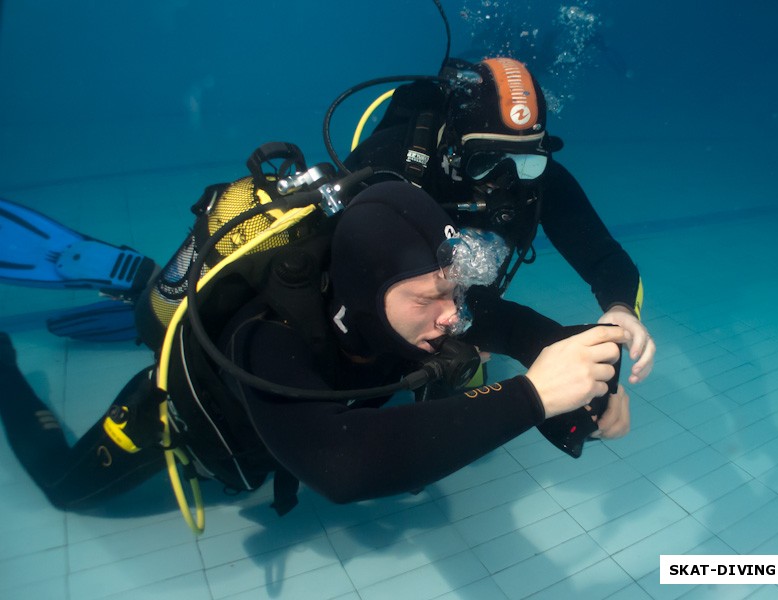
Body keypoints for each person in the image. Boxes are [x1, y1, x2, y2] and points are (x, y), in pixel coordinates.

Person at [0, 181, 630, 517]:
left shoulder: (421, 302)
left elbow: (532, 333)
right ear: (362, 292)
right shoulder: (265, 336)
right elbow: (340, 467)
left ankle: (139, 283)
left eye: (455, 292)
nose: (452, 316)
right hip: (197, 422)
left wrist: (597, 389)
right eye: (429, 300)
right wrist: (533, 396)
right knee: (64, 489)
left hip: (305, 420)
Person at [344, 57, 655, 385]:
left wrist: (621, 308)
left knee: (460, 398)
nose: (505, 180)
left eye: (524, 161)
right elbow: (343, 270)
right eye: (487, 161)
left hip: (472, 318)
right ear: (454, 146)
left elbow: (603, 257)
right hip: (387, 321)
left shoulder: (538, 179)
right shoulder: (393, 161)